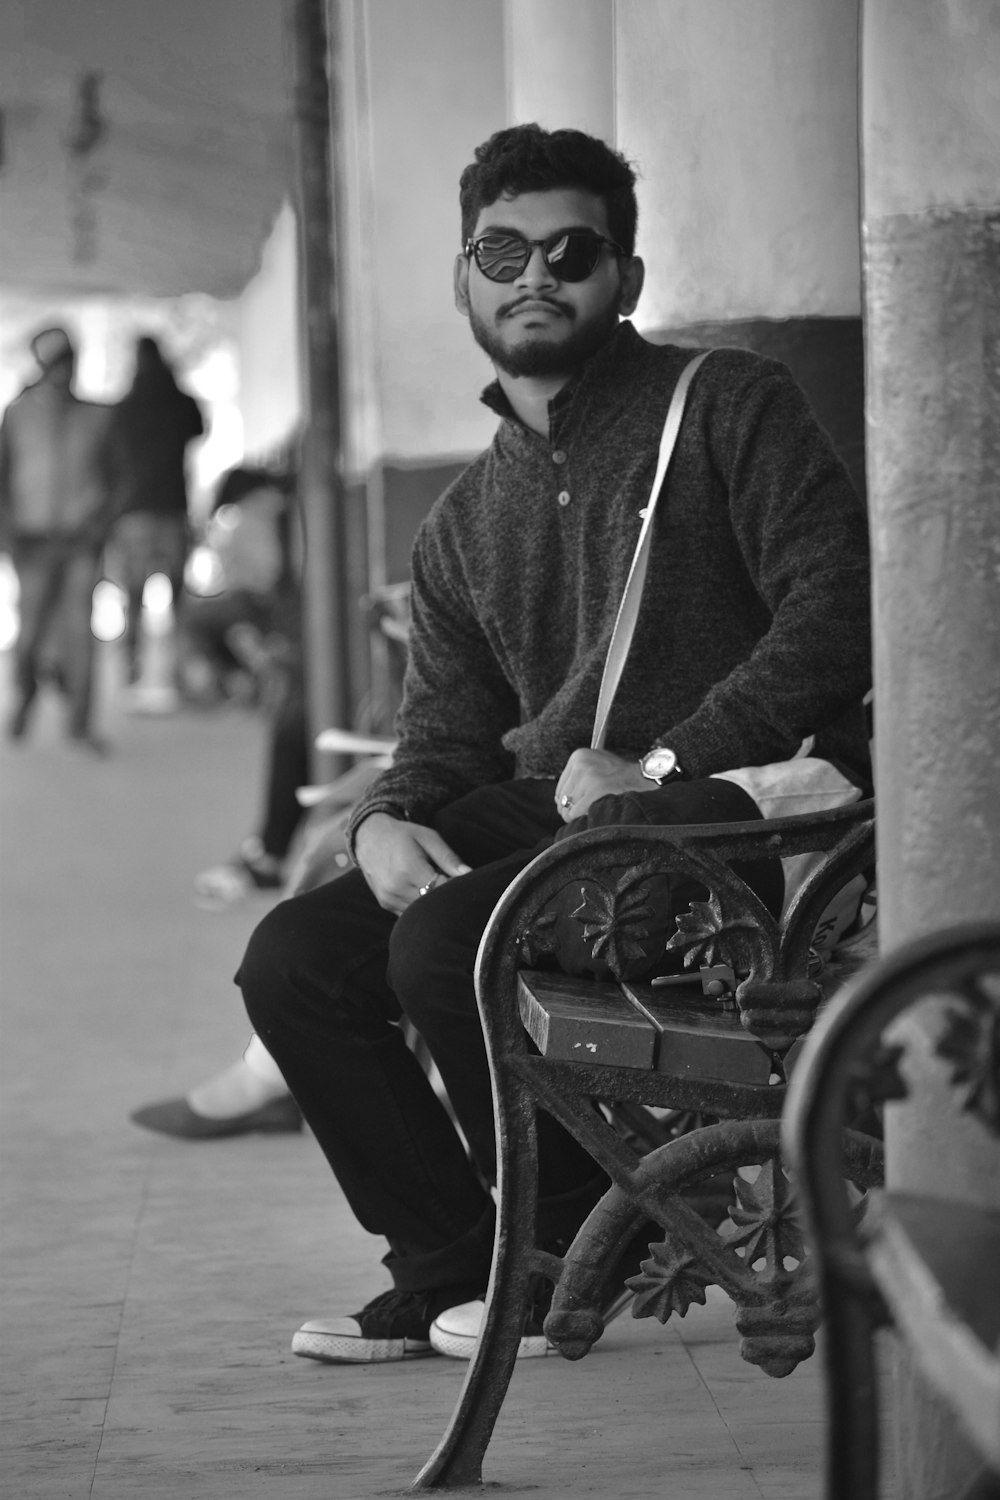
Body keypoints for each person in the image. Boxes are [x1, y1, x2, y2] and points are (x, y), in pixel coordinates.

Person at [235, 123, 873, 1367]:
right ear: (463, 276)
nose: (537, 274)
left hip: (715, 825)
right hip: (548, 818)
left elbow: (836, 608)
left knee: (441, 945)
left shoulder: (729, 404)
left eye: (572, 251)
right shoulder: (462, 520)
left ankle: (566, 1249)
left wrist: (669, 761)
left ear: (623, 277)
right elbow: (444, 736)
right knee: (293, 960)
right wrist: (381, 822)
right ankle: (444, 1268)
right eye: (503, 249)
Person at [0, 326, 115, 748]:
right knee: (28, 635)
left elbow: (116, 476)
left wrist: (101, 522)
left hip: (80, 539)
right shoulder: (18, 413)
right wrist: (6, 530)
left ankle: (80, 724)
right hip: (31, 540)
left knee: (79, 635)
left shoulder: (97, 416)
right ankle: (25, 695)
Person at [104, 335, 204, 688]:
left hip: (133, 513)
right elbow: (199, 427)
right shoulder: (178, 401)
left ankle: (131, 670)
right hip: (172, 510)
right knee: (177, 601)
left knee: (133, 598)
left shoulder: (126, 406)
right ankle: (177, 673)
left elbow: (108, 458)